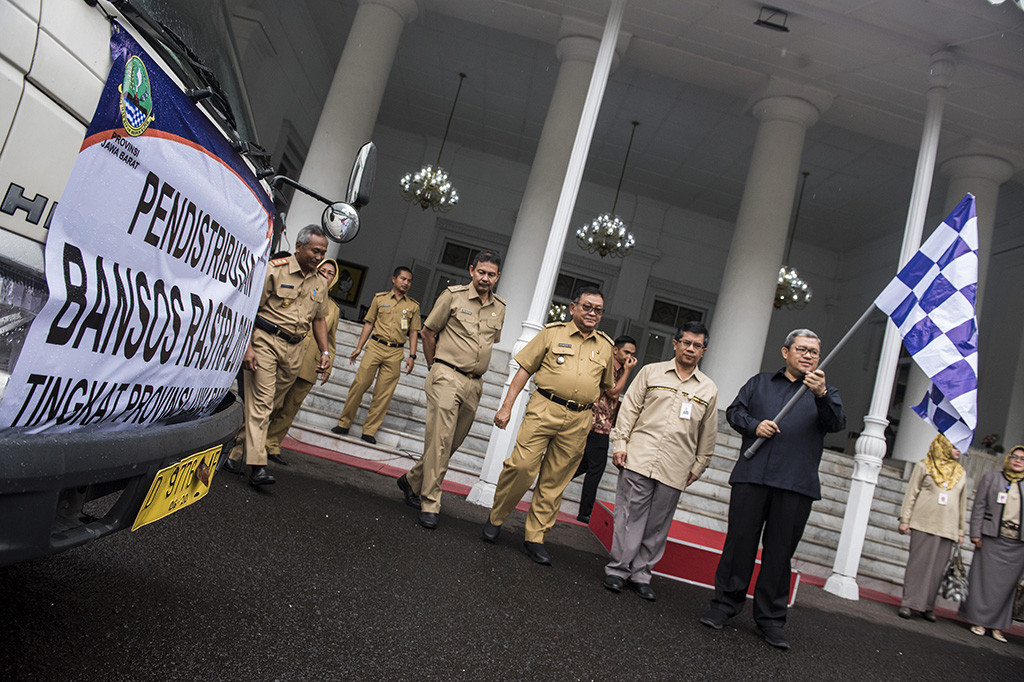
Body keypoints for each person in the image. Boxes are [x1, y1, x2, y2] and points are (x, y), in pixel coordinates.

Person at [699, 328, 845, 650]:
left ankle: (771, 620)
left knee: (779, 555)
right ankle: (724, 606)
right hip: (752, 477)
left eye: (814, 352)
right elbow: (735, 412)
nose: (808, 356)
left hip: (795, 484)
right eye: (801, 349)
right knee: (739, 545)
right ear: (785, 352)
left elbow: (836, 424)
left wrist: (821, 394)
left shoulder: (825, 393)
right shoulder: (760, 383)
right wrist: (755, 425)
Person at [482, 286, 615, 565]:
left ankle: (535, 537)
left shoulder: (605, 345)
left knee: (555, 480)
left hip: (579, 419)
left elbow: (605, 386)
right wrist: (506, 406)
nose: (592, 313)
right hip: (544, 408)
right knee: (521, 467)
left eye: (598, 310)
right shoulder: (552, 333)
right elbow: (524, 370)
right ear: (573, 308)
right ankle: (496, 517)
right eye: (587, 307)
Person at [603, 322, 718, 601]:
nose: (690, 349)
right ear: (675, 344)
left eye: (697, 345)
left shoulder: (708, 389)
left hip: (676, 465)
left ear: (704, 351)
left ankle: (641, 574)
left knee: (657, 525)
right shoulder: (650, 372)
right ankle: (618, 569)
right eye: (686, 342)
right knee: (629, 516)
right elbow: (629, 409)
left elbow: (709, 431)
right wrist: (620, 444)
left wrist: (699, 465)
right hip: (639, 457)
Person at [398, 251, 505, 529]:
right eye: (481, 272)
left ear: (497, 277)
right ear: (471, 270)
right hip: (447, 375)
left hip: (474, 383)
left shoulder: (500, 307)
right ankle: (430, 502)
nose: (485, 278)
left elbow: (489, 342)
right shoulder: (453, 296)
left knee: (451, 443)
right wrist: (434, 367)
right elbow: (428, 331)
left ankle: (411, 479)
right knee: (441, 441)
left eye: (491, 274)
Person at [222, 225, 331, 486]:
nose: (319, 257)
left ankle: (235, 454)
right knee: (261, 404)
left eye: (323, 253)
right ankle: (257, 467)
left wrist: (325, 351)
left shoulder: (320, 282)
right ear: (299, 247)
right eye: (315, 251)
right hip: (265, 342)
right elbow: (249, 308)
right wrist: (247, 347)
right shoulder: (275, 269)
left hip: (295, 349)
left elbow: (319, 319)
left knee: (268, 406)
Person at [264, 259, 341, 465]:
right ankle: (251, 440)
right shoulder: (303, 290)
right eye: (323, 270)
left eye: (331, 273)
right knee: (271, 402)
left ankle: (272, 445)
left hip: (310, 365)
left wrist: (328, 363)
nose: (326, 275)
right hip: (289, 356)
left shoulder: (333, 308)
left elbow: (330, 341)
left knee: (290, 408)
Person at [331, 267, 420, 445]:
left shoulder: (413, 306)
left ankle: (369, 431)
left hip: (395, 352)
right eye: (403, 279)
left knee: (383, 394)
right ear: (394, 279)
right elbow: (369, 324)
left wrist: (412, 355)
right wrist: (359, 347)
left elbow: (413, 332)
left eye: (409, 281)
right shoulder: (380, 299)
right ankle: (344, 423)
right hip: (375, 347)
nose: (406, 283)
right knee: (359, 385)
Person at [896, 433, 967, 620]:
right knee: (917, 565)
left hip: (947, 528)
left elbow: (962, 504)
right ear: (944, 445)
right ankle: (908, 603)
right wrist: (905, 519)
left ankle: (928, 606)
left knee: (937, 570)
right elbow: (911, 493)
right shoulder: (924, 465)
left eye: (960, 447)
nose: (958, 450)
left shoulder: (961, 473)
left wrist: (961, 531)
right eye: (954, 446)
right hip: (923, 522)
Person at [960, 446, 1024, 643]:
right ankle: (978, 622)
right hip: (991, 538)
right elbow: (979, 506)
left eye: (1022, 458)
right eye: (1014, 457)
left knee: (1006, 588)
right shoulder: (991, 478)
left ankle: (997, 626)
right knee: (983, 582)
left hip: (1017, 545)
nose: (1018, 461)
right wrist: (975, 533)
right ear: (1008, 459)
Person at [571, 335, 638, 524]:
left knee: (584, 464)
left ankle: (551, 483)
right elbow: (613, 392)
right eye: (626, 352)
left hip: (603, 424)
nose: (630, 357)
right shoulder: (609, 367)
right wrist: (628, 371)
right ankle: (585, 513)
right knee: (596, 469)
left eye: (632, 354)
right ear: (615, 350)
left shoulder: (619, 369)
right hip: (596, 425)